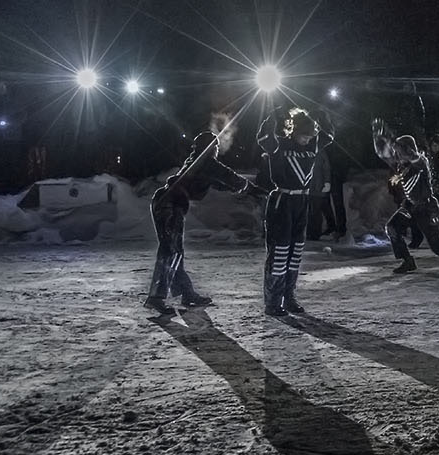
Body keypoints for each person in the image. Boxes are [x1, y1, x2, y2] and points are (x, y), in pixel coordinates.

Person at [144, 132, 260, 314]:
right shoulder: (207, 162)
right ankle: (156, 298)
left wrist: (241, 189)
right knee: (171, 251)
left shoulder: (198, 161)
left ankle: (186, 293)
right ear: (212, 148)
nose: (217, 150)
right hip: (169, 205)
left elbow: (219, 182)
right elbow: (229, 177)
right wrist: (252, 189)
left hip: (166, 202)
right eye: (216, 147)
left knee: (174, 251)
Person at [373, 118, 439, 273]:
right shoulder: (401, 165)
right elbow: (383, 154)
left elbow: (412, 155)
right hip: (410, 205)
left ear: (408, 149)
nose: (397, 154)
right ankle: (407, 260)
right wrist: (378, 138)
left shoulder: (421, 162)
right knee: (392, 227)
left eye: (400, 151)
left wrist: (394, 142)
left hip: (427, 207)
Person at [257, 107, 321, 316]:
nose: (307, 139)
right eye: (304, 135)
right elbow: (263, 137)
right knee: (279, 253)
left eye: (309, 136)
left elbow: (328, 134)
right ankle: (273, 302)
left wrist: (321, 113)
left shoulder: (311, 146)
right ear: (294, 132)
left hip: (301, 202)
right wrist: (273, 116)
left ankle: (289, 297)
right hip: (282, 201)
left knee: (295, 253)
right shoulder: (280, 145)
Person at [305, 125, 336, 241]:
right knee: (317, 209)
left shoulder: (320, 151)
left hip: (318, 186)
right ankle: (316, 231)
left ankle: (315, 232)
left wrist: (327, 182)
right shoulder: (308, 150)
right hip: (312, 186)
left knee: (317, 211)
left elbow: (326, 168)